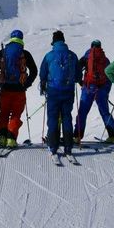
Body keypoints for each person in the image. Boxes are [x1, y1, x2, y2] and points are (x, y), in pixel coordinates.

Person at [0, 30, 38, 147]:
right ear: (21, 40)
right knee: (16, 114)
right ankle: (11, 139)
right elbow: (34, 71)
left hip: (5, 89)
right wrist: (27, 83)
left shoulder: (3, 52)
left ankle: (2, 137)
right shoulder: (24, 53)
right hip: (19, 90)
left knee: (4, 113)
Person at [39, 30, 81, 159]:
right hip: (68, 91)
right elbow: (78, 75)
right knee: (66, 116)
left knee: (53, 117)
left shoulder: (49, 56)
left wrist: (43, 85)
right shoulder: (72, 56)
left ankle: (53, 145)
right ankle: (68, 146)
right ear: (63, 41)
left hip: (53, 91)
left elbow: (43, 74)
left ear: (54, 42)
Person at [73, 40, 114, 144]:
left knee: (82, 112)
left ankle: (77, 136)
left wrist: (81, 82)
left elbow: (77, 71)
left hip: (88, 88)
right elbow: (108, 75)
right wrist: (106, 91)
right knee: (105, 112)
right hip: (102, 88)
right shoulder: (105, 59)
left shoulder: (86, 57)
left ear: (91, 47)